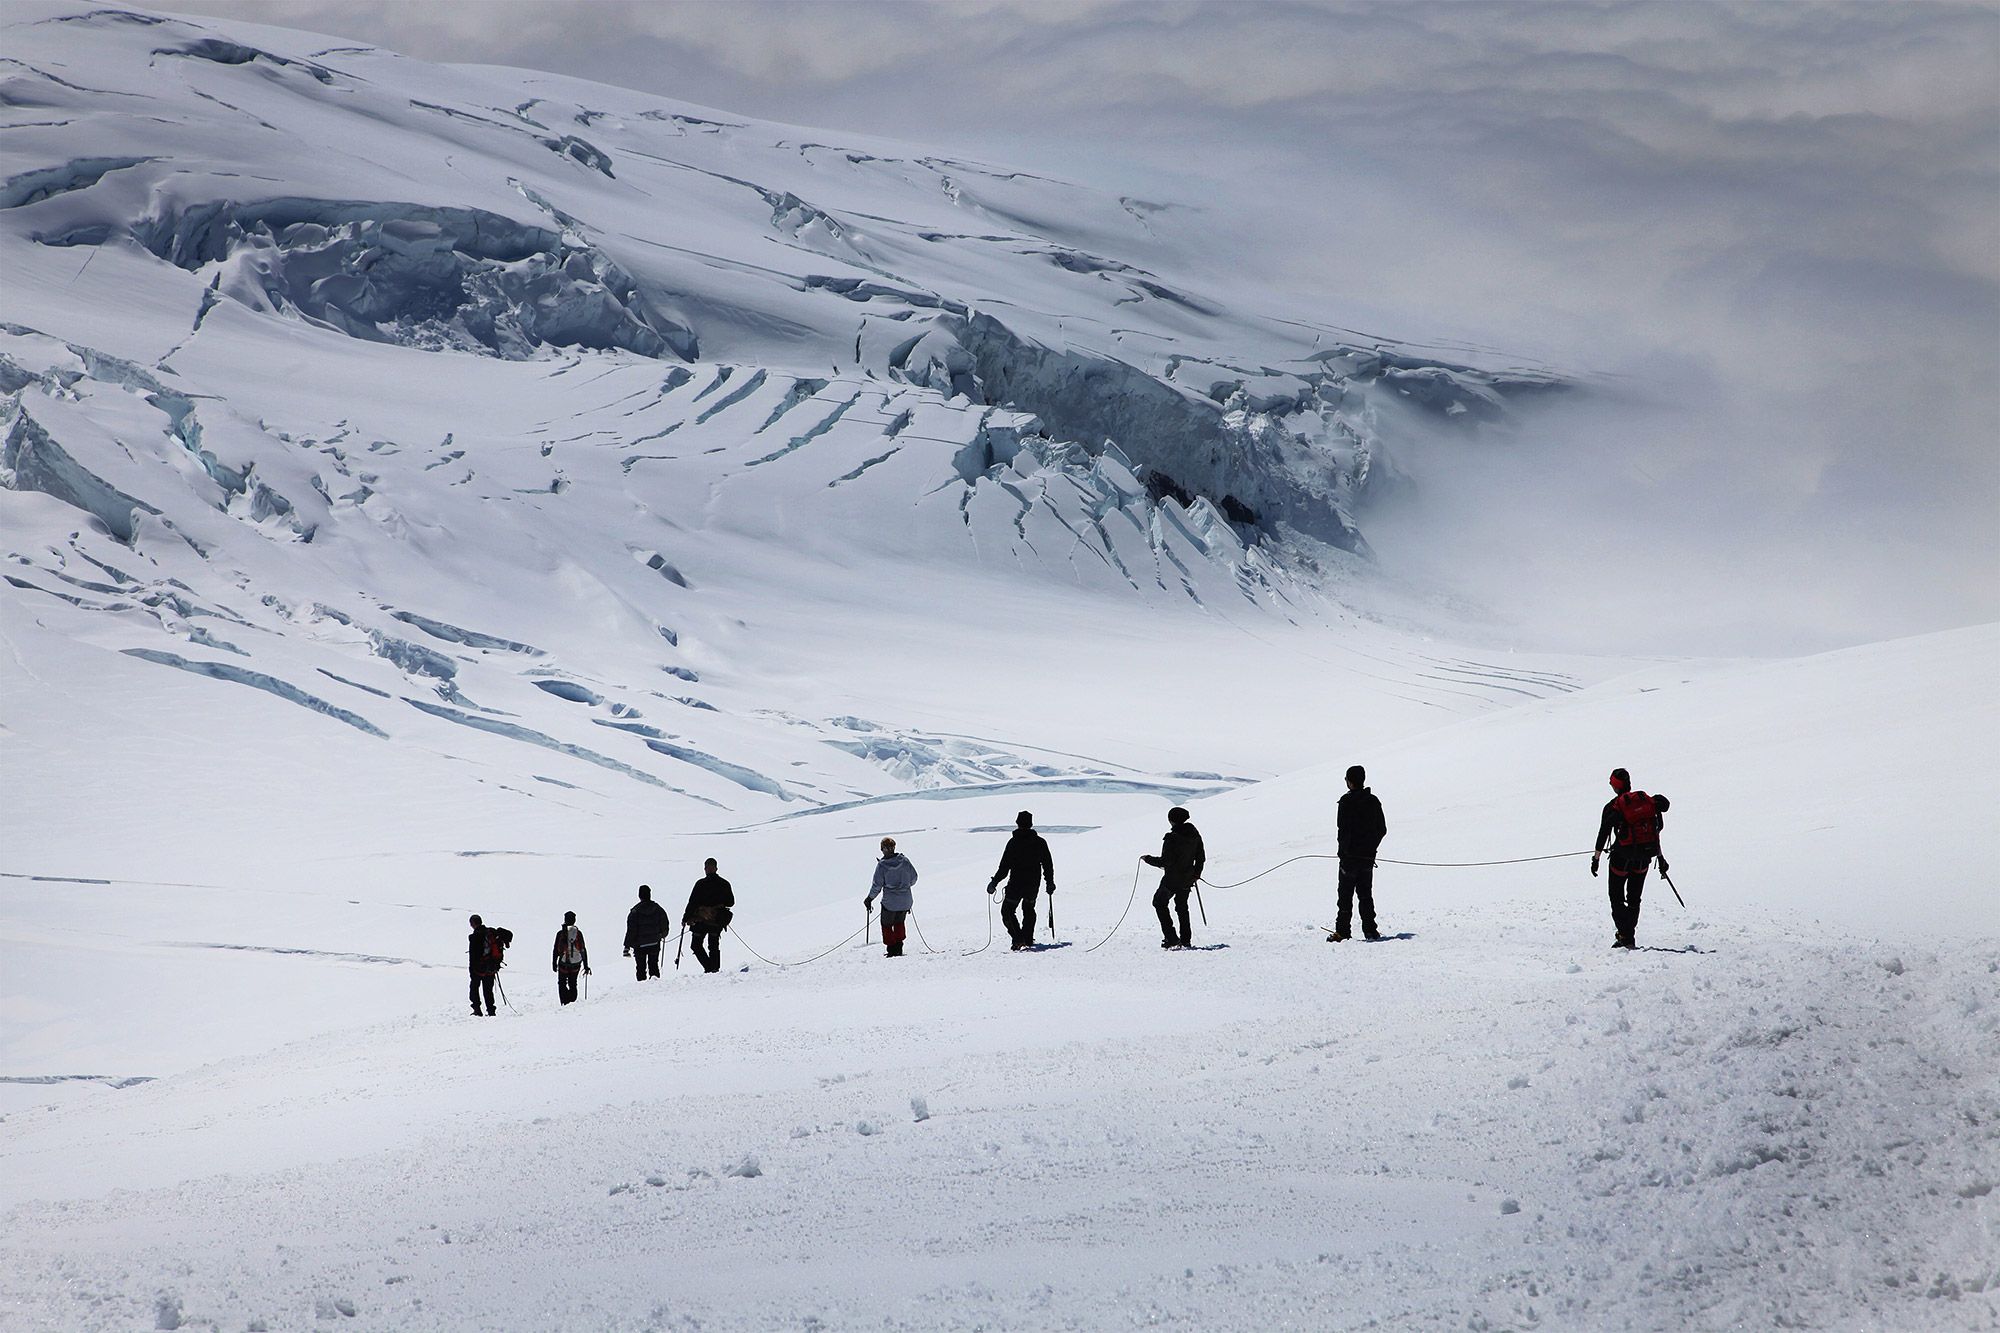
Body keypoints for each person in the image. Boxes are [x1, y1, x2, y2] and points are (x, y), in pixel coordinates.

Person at [1592, 768, 1671, 950]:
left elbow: (1603, 832)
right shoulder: (1646, 803)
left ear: (1615, 786)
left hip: (1621, 858)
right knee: (1634, 898)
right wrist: (1660, 858)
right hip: (1644, 857)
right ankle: (1629, 935)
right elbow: (1655, 831)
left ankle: (1624, 935)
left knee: (1616, 897)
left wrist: (1596, 858)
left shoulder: (1613, 807)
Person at [1331, 766, 1387, 942]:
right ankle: (1371, 930)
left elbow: (1343, 830)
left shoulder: (1346, 802)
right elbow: (1382, 830)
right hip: (1367, 858)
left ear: (1350, 781)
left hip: (1349, 859)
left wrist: (1344, 852)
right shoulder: (1373, 801)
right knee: (1365, 895)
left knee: (1345, 897)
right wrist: (1371, 849)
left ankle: (1342, 932)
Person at [987, 811, 1055, 950]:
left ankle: (1018, 938)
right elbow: (1047, 865)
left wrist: (994, 882)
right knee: (1029, 909)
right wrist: (1050, 882)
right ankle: (1027, 939)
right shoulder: (1040, 842)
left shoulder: (1013, 843)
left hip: (1016, 884)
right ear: (1031, 824)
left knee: (1007, 911)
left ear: (1017, 823)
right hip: (1033, 884)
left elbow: (1004, 867)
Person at [1143, 806, 1206, 949]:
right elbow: (1201, 857)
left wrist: (1147, 859)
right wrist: (1196, 874)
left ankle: (1171, 938)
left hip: (1171, 879)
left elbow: (1164, 862)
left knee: (1159, 903)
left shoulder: (1171, 838)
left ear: (1171, 820)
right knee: (1182, 907)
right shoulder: (1195, 835)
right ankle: (1185, 940)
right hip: (1187, 878)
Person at [866, 837, 918, 957]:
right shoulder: (904, 861)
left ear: (882, 849)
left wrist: (869, 899)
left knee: (887, 924)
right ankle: (899, 947)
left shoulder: (882, 866)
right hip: (905, 900)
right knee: (899, 922)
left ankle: (891, 950)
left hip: (890, 902)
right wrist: (904, 886)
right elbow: (914, 877)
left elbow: (877, 886)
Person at [683, 859, 734, 974]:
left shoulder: (700, 884)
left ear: (705, 869)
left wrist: (686, 918)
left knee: (696, 945)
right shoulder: (724, 883)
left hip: (700, 921)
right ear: (716, 868)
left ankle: (709, 967)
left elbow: (692, 902)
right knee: (713, 945)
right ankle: (714, 969)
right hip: (717, 920)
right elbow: (731, 902)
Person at [623, 884, 669, 980]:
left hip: (639, 945)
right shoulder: (658, 909)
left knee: (640, 968)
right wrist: (661, 935)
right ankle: (656, 986)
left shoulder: (635, 912)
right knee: (654, 966)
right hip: (654, 942)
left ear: (639, 895)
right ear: (649, 894)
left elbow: (631, 930)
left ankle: (642, 989)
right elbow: (665, 924)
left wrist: (627, 946)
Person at [467, 913, 508, 1016]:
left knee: (474, 988)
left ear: (473, 924)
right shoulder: (491, 932)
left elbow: (473, 956)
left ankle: (477, 1010)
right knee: (488, 990)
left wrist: (471, 970)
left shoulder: (474, 937)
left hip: (478, 969)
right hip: (491, 967)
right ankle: (491, 1010)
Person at [551, 910, 590, 1004]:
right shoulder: (578, 933)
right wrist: (586, 965)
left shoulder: (560, 933)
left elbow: (556, 950)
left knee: (562, 983)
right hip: (576, 964)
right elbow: (583, 949)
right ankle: (572, 1000)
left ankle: (564, 1002)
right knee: (573, 983)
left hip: (563, 963)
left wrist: (554, 963)